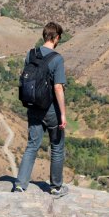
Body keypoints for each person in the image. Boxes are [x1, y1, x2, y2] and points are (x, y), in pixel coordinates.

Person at [12, 21, 68, 197]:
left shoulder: (31, 54)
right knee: (57, 147)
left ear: (44, 36)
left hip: (33, 107)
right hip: (51, 110)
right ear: (57, 38)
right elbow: (58, 87)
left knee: (32, 146)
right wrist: (63, 114)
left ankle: (20, 185)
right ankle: (55, 187)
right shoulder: (57, 59)